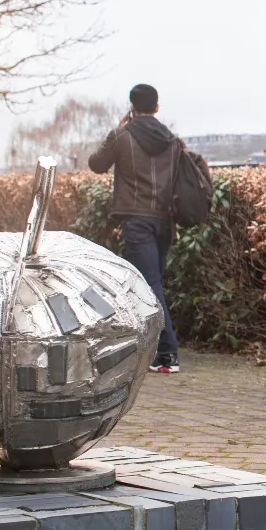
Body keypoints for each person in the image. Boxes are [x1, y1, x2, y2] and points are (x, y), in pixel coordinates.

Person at [88, 84, 186, 374]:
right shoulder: (173, 141)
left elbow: (96, 165)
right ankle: (150, 348)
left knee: (149, 284)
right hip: (165, 221)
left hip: (136, 220)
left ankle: (166, 353)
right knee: (151, 283)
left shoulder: (122, 136)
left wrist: (115, 133)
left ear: (132, 107)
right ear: (157, 108)